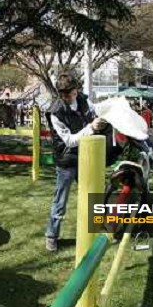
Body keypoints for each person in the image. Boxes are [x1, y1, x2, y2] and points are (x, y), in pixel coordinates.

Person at [44, 73, 107, 252]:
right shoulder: (55, 112)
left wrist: (103, 116)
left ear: (76, 90)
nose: (67, 98)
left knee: (93, 194)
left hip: (87, 155)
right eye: (63, 95)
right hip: (67, 161)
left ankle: (99, 229)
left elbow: (96, 112)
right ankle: (51, 236)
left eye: (70, 93)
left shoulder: (84, 101)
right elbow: (70, 141)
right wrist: (91, 128)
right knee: (60, 201)